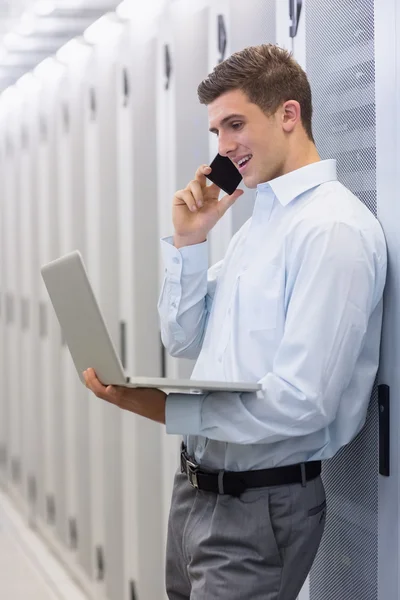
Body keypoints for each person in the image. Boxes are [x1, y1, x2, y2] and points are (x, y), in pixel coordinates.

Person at [84, 44, 387, 599]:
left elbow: (303, 401)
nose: (223, 148)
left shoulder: (332, 230)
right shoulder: (258, 227)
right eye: (216, 132)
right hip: (198, 492)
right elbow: (182, 337)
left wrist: (163, 407)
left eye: (235, 124)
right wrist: (190, 241)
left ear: (289, 115)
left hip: (259, 506)